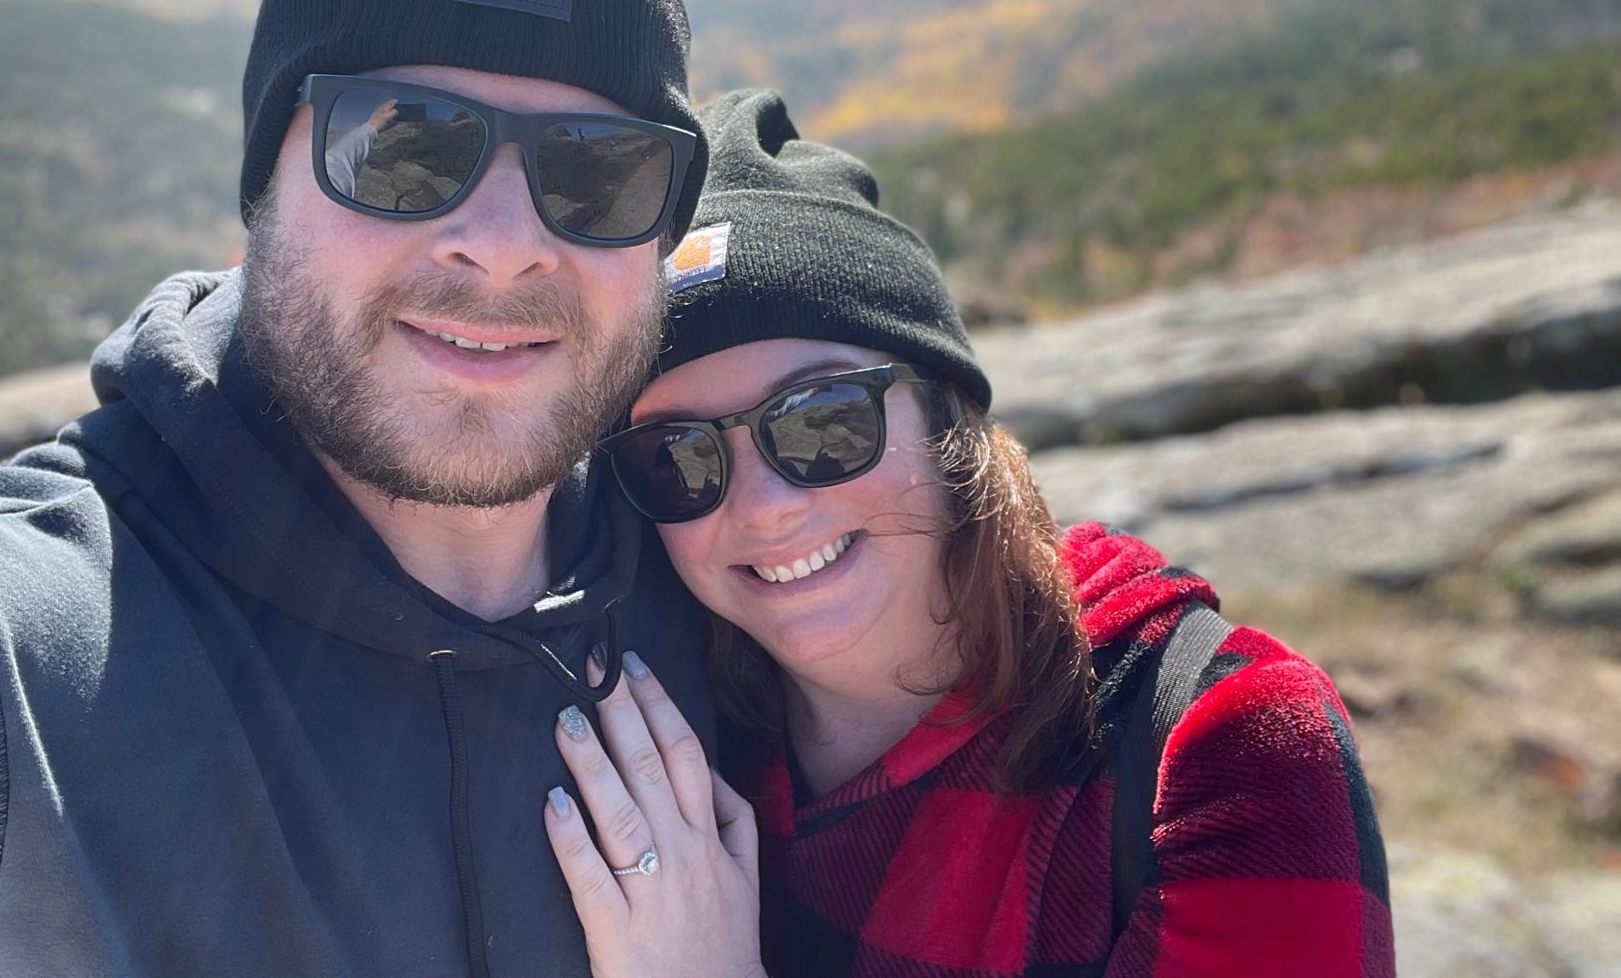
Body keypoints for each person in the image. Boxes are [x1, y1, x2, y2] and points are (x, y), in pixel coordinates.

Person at [0, 0, 718, 977]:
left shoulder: (730, 585)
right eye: (406, 145)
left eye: (598, 174)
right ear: (263, 185)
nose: (502, 243)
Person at [541, 89, 1396, 977]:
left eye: (823, 422)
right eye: (676, 459)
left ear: (945, 416)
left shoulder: (1217, 744)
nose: (762, 507)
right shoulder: (683, 736)